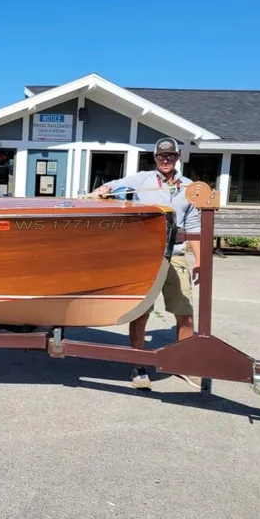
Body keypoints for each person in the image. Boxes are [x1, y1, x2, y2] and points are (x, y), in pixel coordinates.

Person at [93, 137, 202, 390]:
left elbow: (196, 226)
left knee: (185, 314)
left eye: (171, 156)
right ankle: (139, 365)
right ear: (155, 158)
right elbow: (113, 186)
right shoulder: (141, 179)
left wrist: (199, 261)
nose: (166, 160)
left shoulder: (189, 187)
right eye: (162, 156)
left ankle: (182, 364)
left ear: (178, 158)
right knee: (141, 313)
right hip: (146, 257)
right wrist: (104, 190)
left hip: (175, 255)